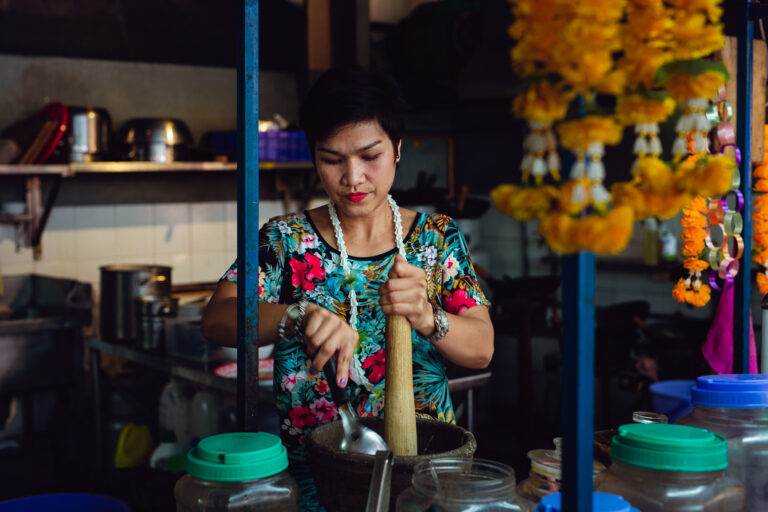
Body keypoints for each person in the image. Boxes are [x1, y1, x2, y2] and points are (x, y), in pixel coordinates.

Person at [201, 66, 493, 510]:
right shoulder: (285, 240)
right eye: (332, 159)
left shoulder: (436, 239)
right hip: (316, 475)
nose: (352, 178)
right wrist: (293, 317)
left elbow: (482, 348)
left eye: (369, 156)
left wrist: (427, 317)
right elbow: (216, 319)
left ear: (397, 149)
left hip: (424, 477)